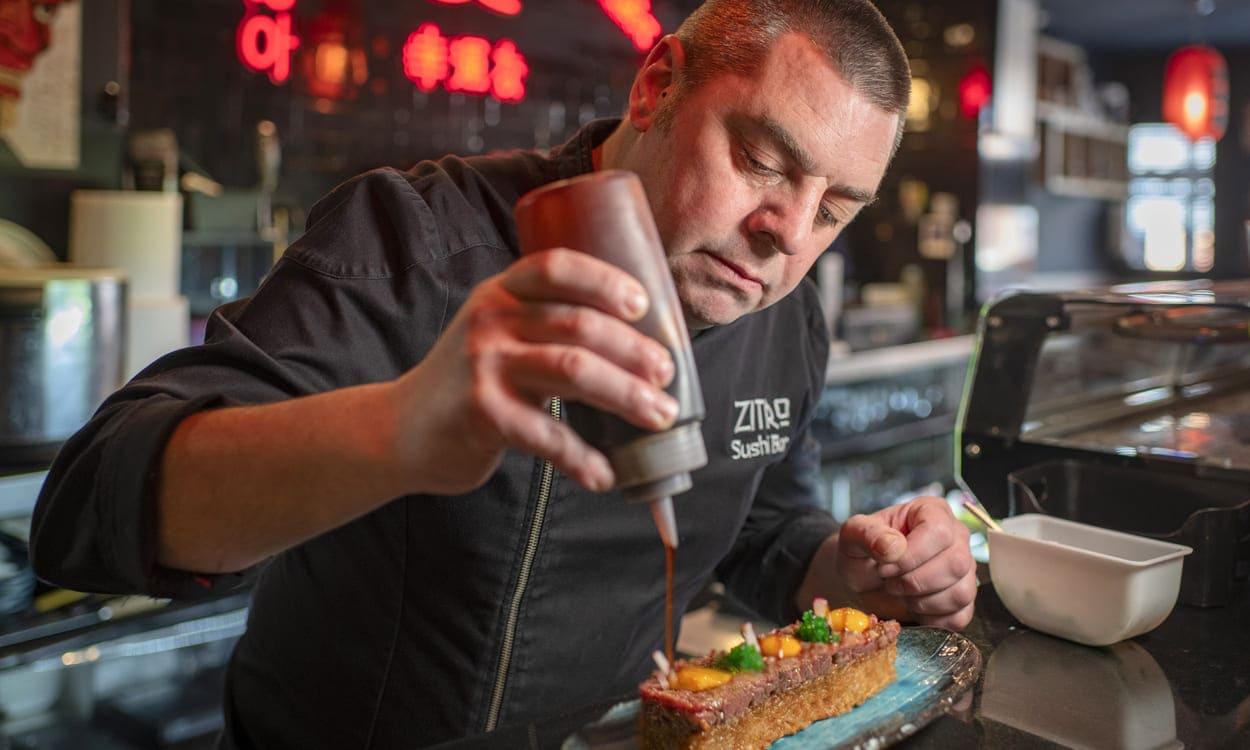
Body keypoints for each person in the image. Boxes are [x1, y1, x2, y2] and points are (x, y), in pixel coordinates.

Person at [31, 0, 975, 746]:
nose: (788, 236)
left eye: (834, 211)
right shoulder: (414, 242)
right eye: (763, 161)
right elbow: (89, 505)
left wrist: (855, 569)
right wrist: (400, 427)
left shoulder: (786, 317)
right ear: (656, 89)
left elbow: (765, 525)